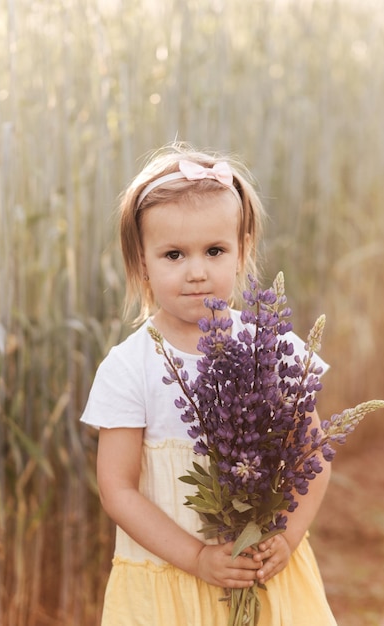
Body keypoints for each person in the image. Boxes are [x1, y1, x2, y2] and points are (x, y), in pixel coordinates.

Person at [81, 143, 337, 625]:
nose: (197, 271)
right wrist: (198, 559)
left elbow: (313, 455)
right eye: (174, 254)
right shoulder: (129, 365)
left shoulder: (270, 346)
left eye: (214, 251)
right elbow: (117, 489)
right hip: (167, 583)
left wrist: (290, 538)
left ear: (242, 253)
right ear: (142, 264)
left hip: (260, 573)